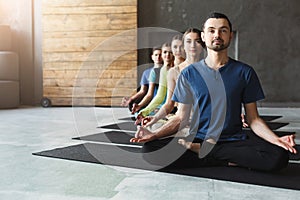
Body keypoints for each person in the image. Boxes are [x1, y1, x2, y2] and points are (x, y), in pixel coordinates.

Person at [130, 12, 297, 172]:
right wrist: (154, 134)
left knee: (278, 156)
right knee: (151, 150)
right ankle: (224, 158)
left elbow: (253, 119)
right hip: (198, 137)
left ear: (230, 36)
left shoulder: (245, 72)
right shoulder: (188, 74)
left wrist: (276, 139)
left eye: (223, 30)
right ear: (204, 37)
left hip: (233, 140)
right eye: (211, 30)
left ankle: (208, 153)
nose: (217, 35)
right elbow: (181, 118)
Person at [139, 28, 204, 131]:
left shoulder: (211, 70)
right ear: (185, 46)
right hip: (182, 121)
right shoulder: (173, 72)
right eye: (188, 41)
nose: (193, 45)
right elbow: (169, 103)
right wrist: (155, 117)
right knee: (152, 129)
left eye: (197, 41)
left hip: (204, 123)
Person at [131, 42, 174, 117]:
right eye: (165, 52)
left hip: (174, 105)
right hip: (159, 103)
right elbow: (151, 94)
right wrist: (140, 105)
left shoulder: (178, 69)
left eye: (170, 52)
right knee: (139, 114)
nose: (167, 55)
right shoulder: (157, 71)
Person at [121, 47, 162, 111]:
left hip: (162, 100)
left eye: (160, 55)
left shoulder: (167, 71)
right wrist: (131, 99)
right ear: (152, 57)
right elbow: (142, 91)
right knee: (132, 105)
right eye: (156, 55)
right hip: (150, 99)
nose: (158, 57)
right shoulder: (146, 72)